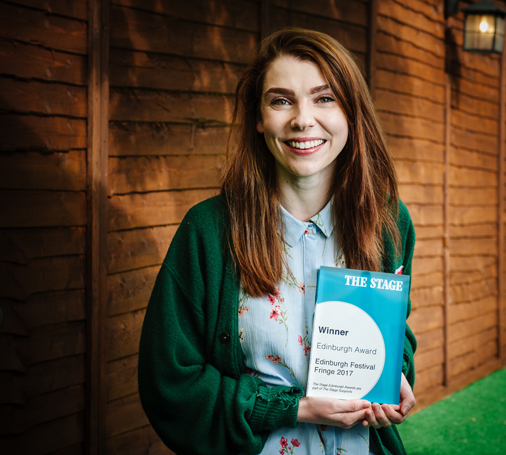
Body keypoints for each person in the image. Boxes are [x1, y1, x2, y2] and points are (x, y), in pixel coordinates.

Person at [138, 27, 417, 455]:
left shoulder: (388, 221)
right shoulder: (208, 231)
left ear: (351, 114)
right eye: (281, 100)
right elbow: (169, 382)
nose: (302, 119)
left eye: (325, 98)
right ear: (259, 117)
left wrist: (393, 373)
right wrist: (295, 409)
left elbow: (398, 333)